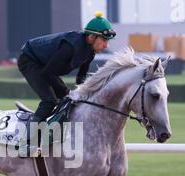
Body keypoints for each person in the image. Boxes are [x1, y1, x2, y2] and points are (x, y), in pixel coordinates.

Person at [17, 11, 116, 157]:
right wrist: (67, 92)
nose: (106, 45)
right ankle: (25, 144)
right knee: (49, 101)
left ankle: (51, 136)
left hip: (45, 67)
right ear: (91, 37)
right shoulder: (71, 46)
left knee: (66, 101)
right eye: (104, 40)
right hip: (30, 60)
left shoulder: (90, 51)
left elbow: (81, 77)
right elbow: (47, 73)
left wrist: (85, 94)